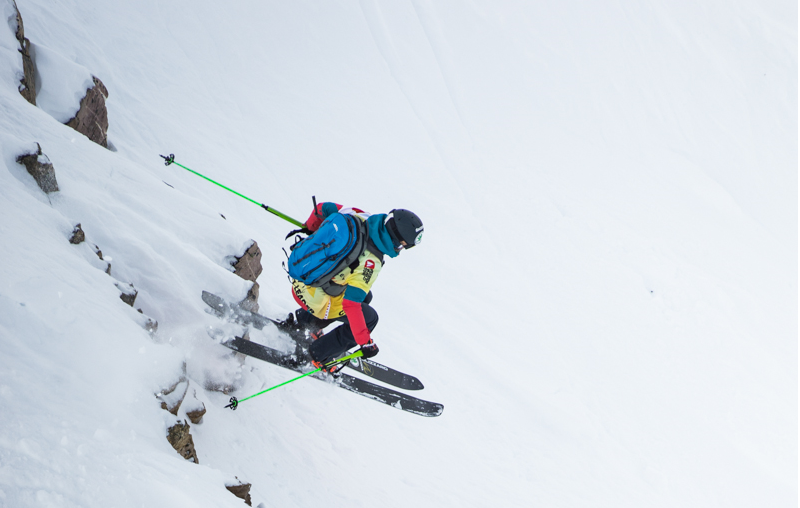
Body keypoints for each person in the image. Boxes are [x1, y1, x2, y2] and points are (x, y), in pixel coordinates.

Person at [280, 202, 423, 372]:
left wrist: (313, 231)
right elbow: (350, 305)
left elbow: (323, 208)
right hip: (312, 297)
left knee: (365, 296)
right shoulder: (371, 262)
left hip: (300, 276)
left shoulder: (361, 216)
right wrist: (365, 342)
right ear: (398, 241)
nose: (401, 249)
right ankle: (317, 355)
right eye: (404, 246)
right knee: (369, 318)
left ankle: (305, 323)